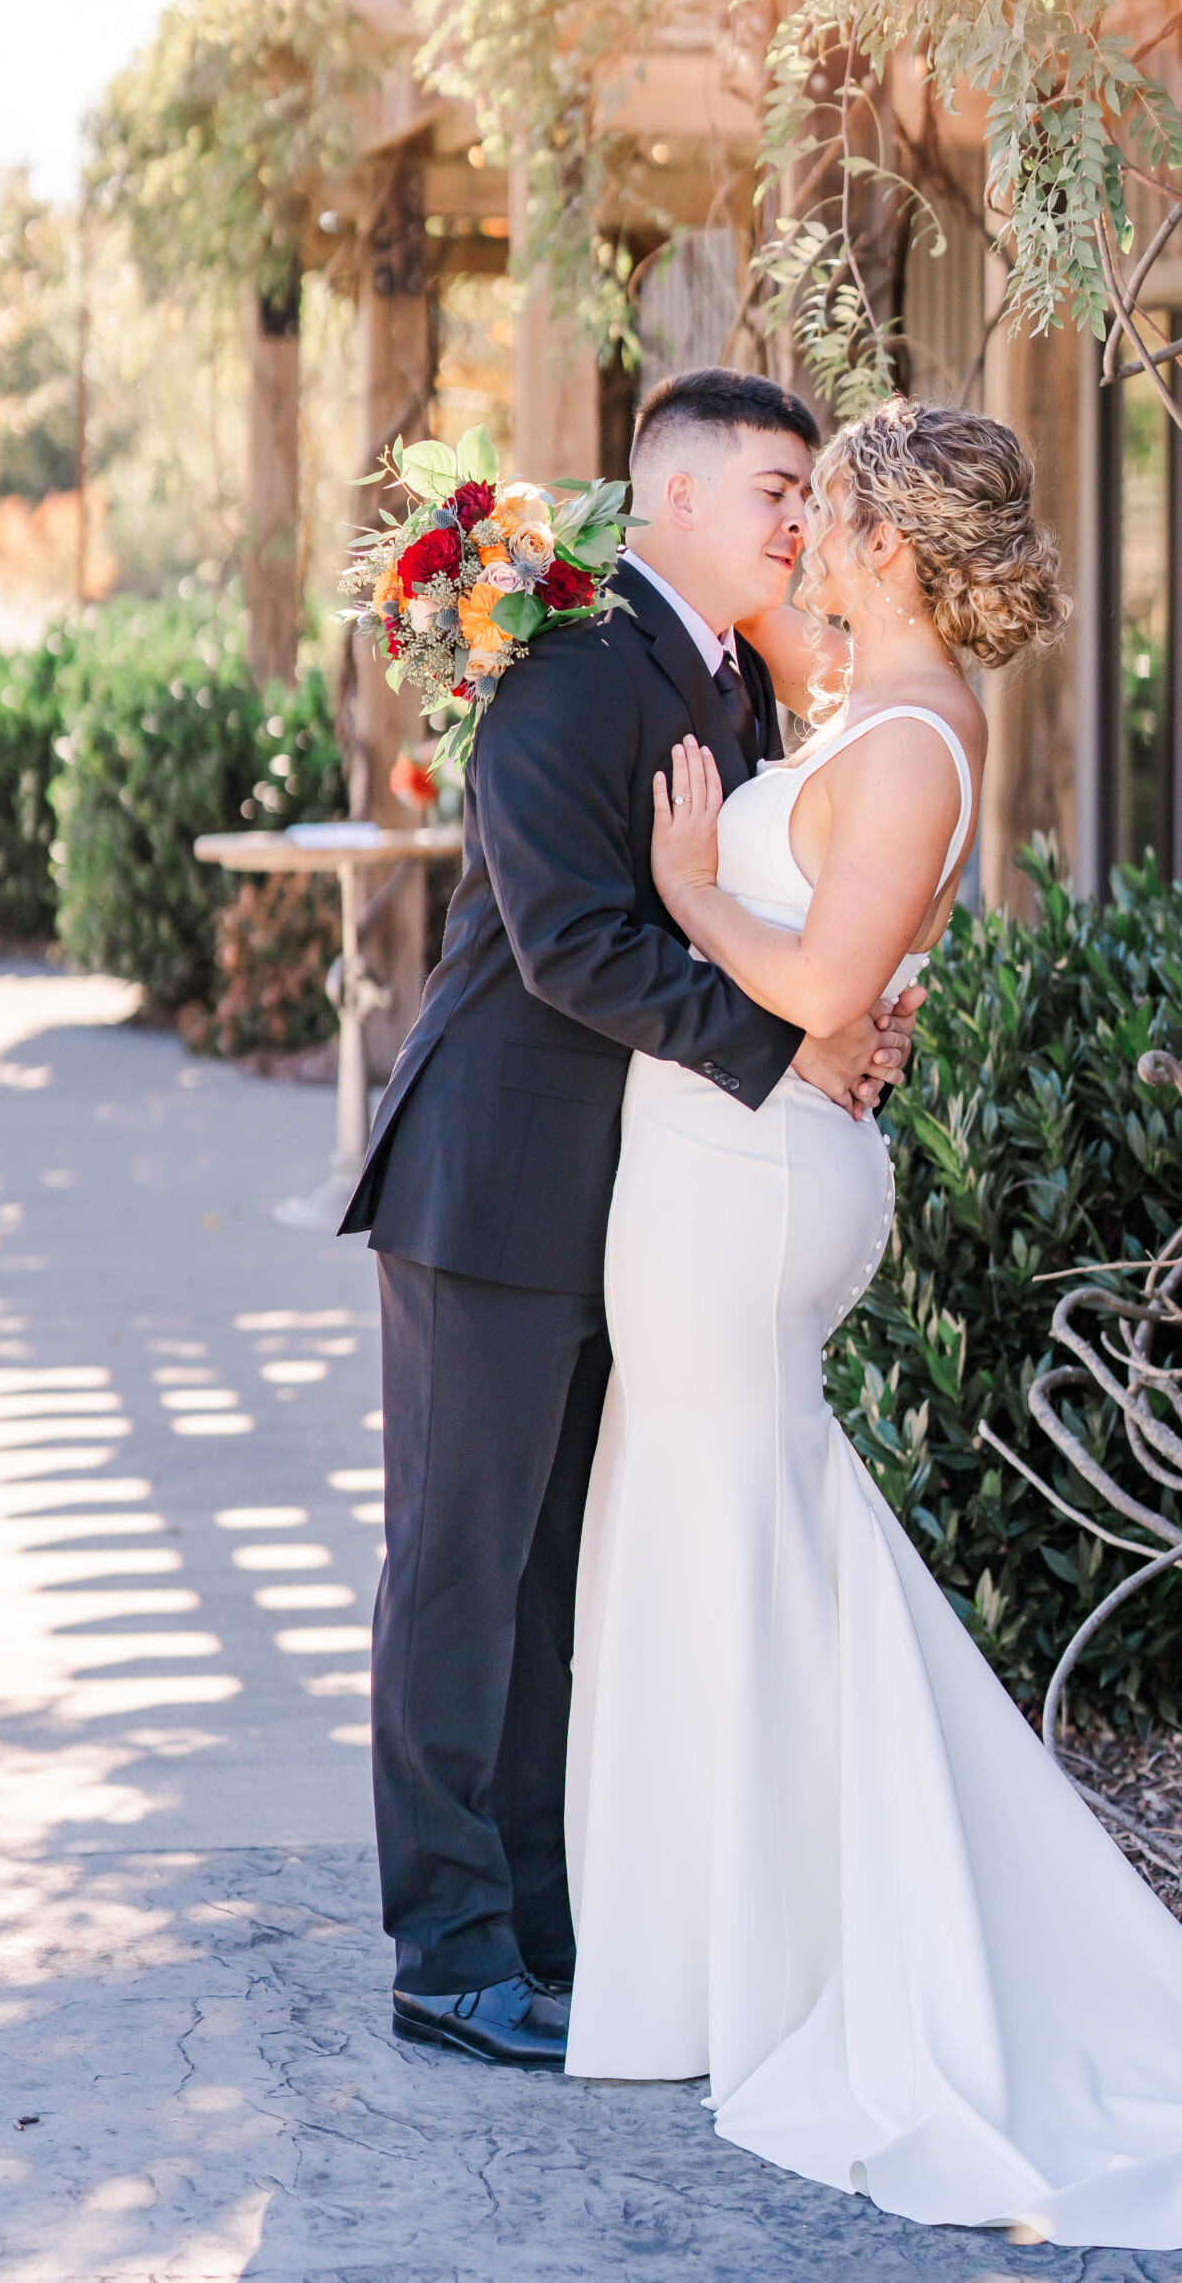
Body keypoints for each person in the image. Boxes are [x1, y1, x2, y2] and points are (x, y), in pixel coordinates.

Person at [562, 393, 1182, 2248]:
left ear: (890, 544)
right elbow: (758, 712)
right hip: (724, 1180)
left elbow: (822, 980)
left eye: (831, 510)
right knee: (730, 1536)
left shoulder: (926, 744)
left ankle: (758, 1965)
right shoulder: (878, 712)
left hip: (755, 1185)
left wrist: (696, 886)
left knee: (737, 1533)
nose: (808, 539)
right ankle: (715, 1954)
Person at [339, 369, 922, 2069]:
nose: (799, 521)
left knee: (547, 1581)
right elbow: (570, 943)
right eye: (772, 489)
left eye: (810, 492)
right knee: (459, 1571)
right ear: (668, 497)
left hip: (632, 1199)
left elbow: (743, 911)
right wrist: (790, 1040)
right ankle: (448, 1954)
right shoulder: (571, 670)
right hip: (493, 1181)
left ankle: (538, 1919)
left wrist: (843, 1007)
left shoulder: (726, 683)